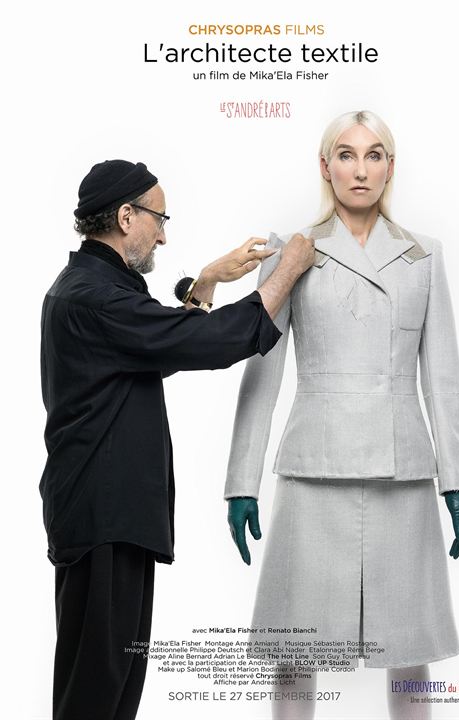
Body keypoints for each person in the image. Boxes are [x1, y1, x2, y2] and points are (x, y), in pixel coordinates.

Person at [39, 159, 315, 720]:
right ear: (126, 216)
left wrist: (206, 282)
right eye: (159, 219)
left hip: (113, 520)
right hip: (102, 521)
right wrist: (288, 269)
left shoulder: (97, 291)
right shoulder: (93, 297)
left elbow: (160, 348)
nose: (163, 235)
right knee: (93, 697)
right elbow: (212, 343)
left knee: (115, 695)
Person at [225, 111, 459, 720]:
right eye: (345, 154)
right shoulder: (292, 250)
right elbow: (263, 373)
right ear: (325, 166)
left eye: (373, 155)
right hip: (313, 467)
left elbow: (443, 378)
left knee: (409, 649)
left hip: (402, 470)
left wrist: (458, 482)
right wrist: (241, 483)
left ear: (390, 167)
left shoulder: (423, 255)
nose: (360, 169)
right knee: (296, 650)